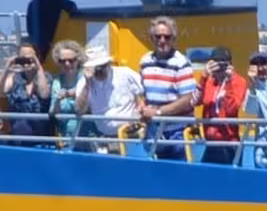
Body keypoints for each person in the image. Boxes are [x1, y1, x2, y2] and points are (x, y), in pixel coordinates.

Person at [138, 16, 198, 160]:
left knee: (179, 177)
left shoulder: (181, 63)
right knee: (157, 177)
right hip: (154, 131)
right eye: (158, 36)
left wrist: (158, 112)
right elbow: (143, 93)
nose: (162, 40)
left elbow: (188, 99)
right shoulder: (145, 62)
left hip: (177, 133)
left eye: (167, 37)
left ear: (173, 39)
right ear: (152, 38)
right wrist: (142, 108)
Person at [81, 44, 144, 151]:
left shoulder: (126, 74)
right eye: (96, 68)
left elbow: (145, 95)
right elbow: (79, 109)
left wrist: (138, 112)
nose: (99, 70)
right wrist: (87, 84)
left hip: (130, 135)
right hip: (103, 137)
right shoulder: (85, 82)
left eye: (102, 66)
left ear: (109, 63)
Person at [197, 46, 249, 165]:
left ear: (230, 64)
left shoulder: (239, 81)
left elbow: (231, 109)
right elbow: (198, 102)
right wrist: (204, 77)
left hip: (230, 143)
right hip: (211, 142)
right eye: (216, 63)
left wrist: (228, 82)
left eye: (223, 63)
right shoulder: (209, 80)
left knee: (232, 182)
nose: (220, 68)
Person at [0, 38, 51, 139]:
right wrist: (7, 68)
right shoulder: (14, 78)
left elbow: (44, 94)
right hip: (18, 137)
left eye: (29, 59)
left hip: (42, 138)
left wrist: (38, 66)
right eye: (23, 60)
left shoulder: (46, 77)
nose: (26, 63)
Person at [47, 40, 88, 149]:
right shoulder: (57, 82)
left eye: (71, 60)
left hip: (88, 138)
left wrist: (72, 94)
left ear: (78, 60)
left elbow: (87, 107)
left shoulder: (86, 78)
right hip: (66, 139)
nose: (67, 64)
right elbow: (52, 112)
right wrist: (57, 100)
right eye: (62, 61)